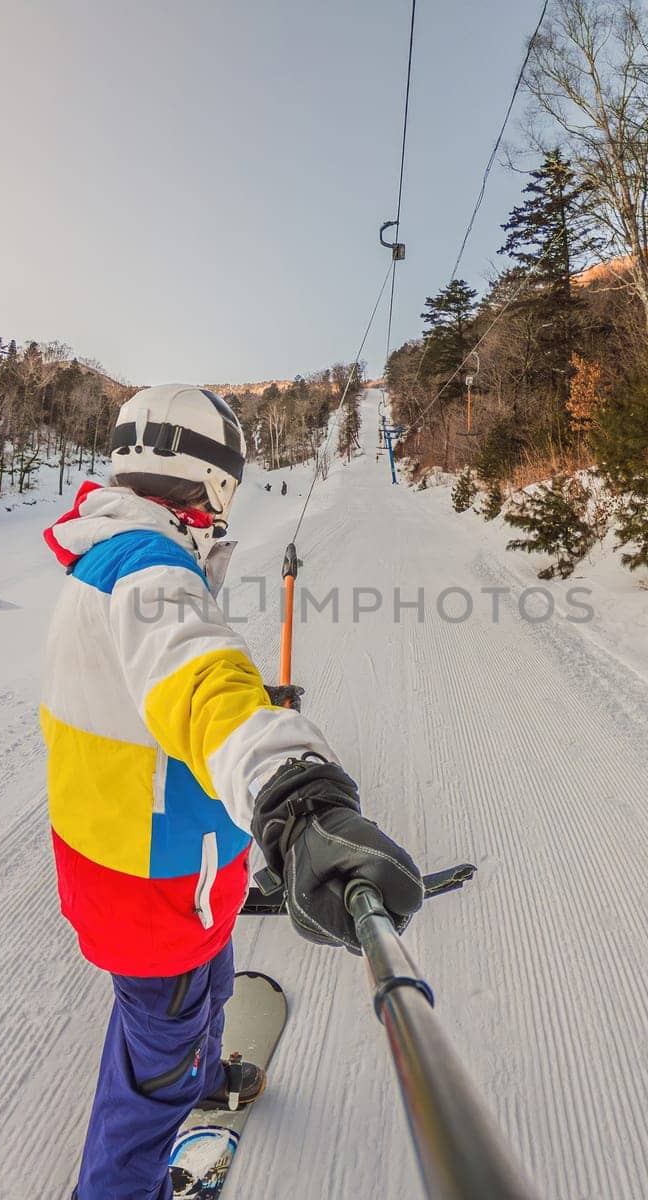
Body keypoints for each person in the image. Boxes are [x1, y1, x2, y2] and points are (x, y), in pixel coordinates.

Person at [40, 384, 424, 1200]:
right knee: (152, 1086)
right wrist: (295, 787)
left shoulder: (110, 555)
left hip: (150, 872)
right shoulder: (151, 572)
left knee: (206, 984)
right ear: (211, 480)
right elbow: (201, 681)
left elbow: (164, 698)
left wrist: (245, 724)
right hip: (153, 890)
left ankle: (204, 1067)